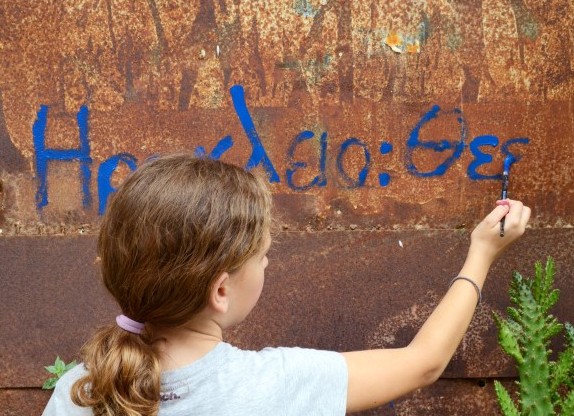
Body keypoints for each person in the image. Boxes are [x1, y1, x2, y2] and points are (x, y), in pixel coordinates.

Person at [42, 153, 530, 416]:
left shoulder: (78, 391)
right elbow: (422, 364)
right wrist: (482, 253)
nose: (268, 261)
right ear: (220, 291)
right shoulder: (271, 387)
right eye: (262, 255)